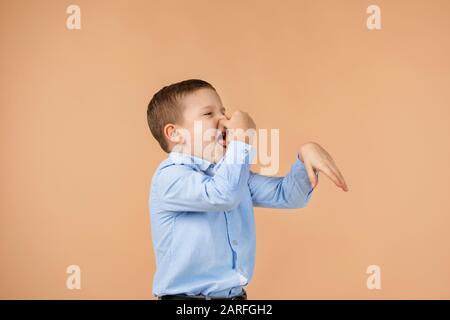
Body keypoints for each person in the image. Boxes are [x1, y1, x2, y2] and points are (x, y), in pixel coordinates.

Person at [146, 79, 348, 300]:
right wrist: (242, 141)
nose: (224, 119)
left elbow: (288, 196)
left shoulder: (229, 174)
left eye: (223, 111)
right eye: (208, 114)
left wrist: (306, 154)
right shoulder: (169, 178)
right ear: (175, 134)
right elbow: (223, 194)